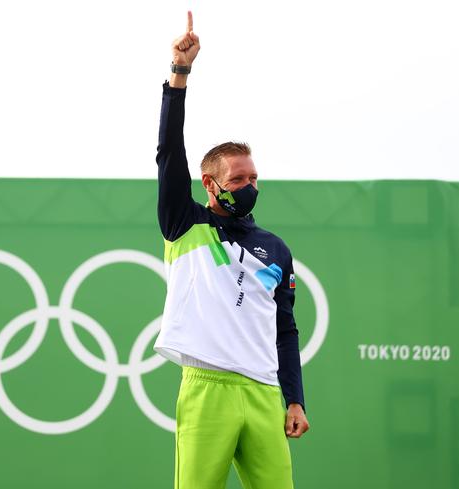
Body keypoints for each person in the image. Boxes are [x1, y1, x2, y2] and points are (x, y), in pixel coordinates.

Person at [152, 11, 310, 489]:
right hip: (208, 389)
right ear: (211, 183)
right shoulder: (186, 224)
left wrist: (295, 399)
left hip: (264, 394)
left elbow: (285, 327)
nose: (249, 186)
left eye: (253, 178)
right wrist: (179, 76)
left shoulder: (275, 249)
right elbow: (168, 153)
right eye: (238, 179)